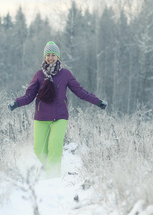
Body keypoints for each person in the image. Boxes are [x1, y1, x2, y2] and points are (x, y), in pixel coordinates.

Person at [9, 41, 107, 178]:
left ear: (58, 57)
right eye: (48, 55)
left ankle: (53, 177)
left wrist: (98, 102)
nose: (50, 57)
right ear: (44, 57)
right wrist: (16, 103)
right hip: (41, 116)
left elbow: (80, 91)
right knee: (39, 149)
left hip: (59, 116)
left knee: (55, 147)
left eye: (53, 55)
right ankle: (49, 169)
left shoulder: (65, 74)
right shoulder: (38, 75)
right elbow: (29, 95)